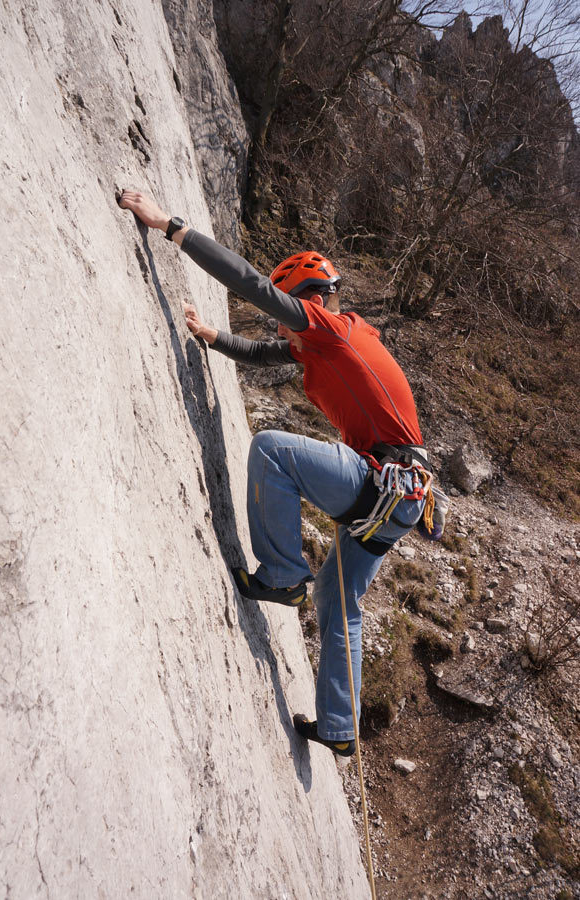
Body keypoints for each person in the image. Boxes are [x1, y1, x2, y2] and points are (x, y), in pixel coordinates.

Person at [119, 189, 432, 757]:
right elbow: (265, 353)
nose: (284, 331)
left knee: (269, 450)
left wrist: (171, 226)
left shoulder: (329, 329)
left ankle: (285, 575)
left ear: (306, 303)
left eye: (288, 316)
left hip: (381, 483)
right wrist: (214, 339)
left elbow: (252, 286)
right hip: (399, 501)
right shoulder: (328, 346)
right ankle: (340, 730)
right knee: (340, 608)